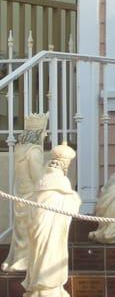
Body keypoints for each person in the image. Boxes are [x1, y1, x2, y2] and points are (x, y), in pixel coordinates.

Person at [22, 142, 80, 297]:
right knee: (51, 253)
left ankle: (40, 288)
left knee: (40, 254)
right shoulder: (62, 182)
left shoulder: (43, 180)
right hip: (52, 228)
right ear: (64, 164)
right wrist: (75, 198)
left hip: (38, 226)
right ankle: (49, 289)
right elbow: (71, 205)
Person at [2, 113, 49, 273]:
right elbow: (38, 178)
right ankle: (24, 260)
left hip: (21, 196)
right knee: (30, 229)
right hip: (32, 198)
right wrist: (49, 171)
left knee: (22, 229)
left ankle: (17, 259)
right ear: (38, 132)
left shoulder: (19, 150)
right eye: (44, 130)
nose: (46, 134)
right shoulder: (34, 152)